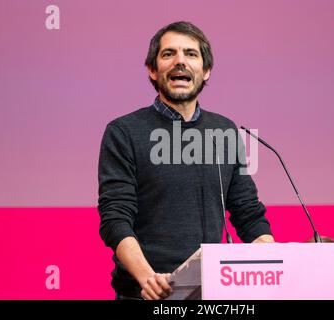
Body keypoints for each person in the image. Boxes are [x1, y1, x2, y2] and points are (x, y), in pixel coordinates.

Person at [98, 21, 274, 300]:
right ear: (152, 70)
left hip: (212, 291)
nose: (180, 61)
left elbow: (246, 210)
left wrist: (272, 255)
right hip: (145, 293)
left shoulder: (225, 131)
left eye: (191, 54)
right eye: (169, 54)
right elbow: (115, 218)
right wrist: (148, 278)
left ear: (206, 72)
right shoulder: (124, 131)